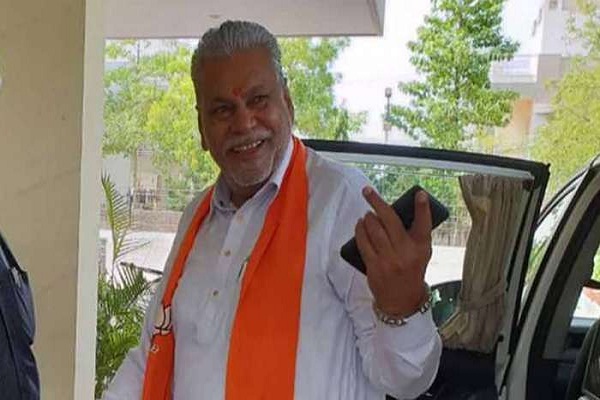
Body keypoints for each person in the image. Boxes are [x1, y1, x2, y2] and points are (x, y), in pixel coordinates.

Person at [104, 20, 441, 400]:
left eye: (259, 100)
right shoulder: (199, 216)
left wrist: (402, 307)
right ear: (201, 127)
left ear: (288, 103)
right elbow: (151, 354)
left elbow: (404, 380)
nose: (244, 123)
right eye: (223, 110)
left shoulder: (340, 200)